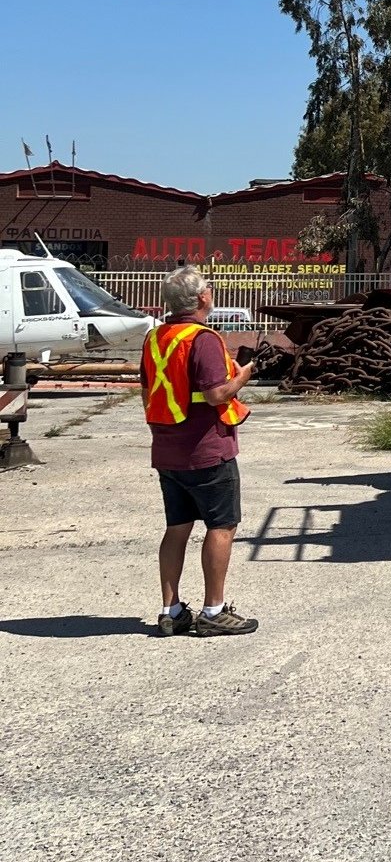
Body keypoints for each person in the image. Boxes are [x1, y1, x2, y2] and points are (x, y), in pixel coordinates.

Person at [140, 267, 257, 637]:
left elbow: (149, 392)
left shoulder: (155, 337)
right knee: (221, 526)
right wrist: (243, 376)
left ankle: (171, 610)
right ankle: (213, 610)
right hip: (207, 450)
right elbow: (215, 394)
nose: (211, 291)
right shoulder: (203, 339)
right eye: (209, 288)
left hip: (168, 450)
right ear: (202, 299)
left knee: (177, 527)